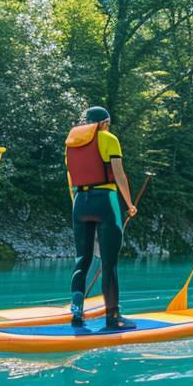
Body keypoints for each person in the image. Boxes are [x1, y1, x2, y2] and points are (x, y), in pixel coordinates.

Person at [65, 106, 138, 330]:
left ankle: (77, 312)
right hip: (105, 199)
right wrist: (129, 204)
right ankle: (113, 317)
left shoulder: (72, 143)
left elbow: (70, 178)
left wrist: (77, 203)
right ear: (104, 123)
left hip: (80, 202)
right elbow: (118, 174)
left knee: (82, 260)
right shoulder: (109, 138)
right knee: (109, 262)